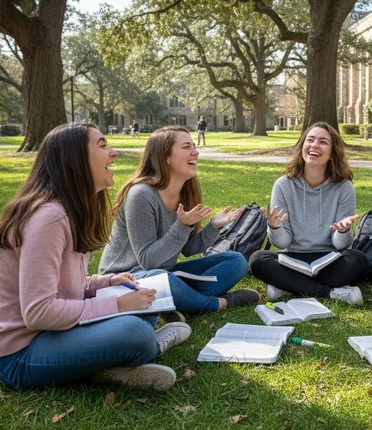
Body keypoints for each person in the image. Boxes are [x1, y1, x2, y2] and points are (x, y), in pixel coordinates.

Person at [0, 123, 191, 391]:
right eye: (102, 145)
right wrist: (118, 305)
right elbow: (38, 312)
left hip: (51, 333)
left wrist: (107, 282)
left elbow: (65, 286)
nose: (113, 152)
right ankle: (146, 348)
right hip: (18, 354)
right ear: (75, 159)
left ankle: (107, 368)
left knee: (145, 304)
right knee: (136, 333)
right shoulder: (48, 219)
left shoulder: (68, 210)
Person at [99, 126, 256, 316]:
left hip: (167, 272)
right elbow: (148, 261)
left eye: (195, 146)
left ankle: (179, 301)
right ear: (165, 156)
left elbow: (188, 248)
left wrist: (213, 226)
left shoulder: (186, 192)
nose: (195, 152)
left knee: (236, 260)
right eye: (186, 146)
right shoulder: (141, 195)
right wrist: (181, 226)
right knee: (163, 279)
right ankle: (216, 303)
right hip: (125, 278)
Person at [249, 122, 369, 305]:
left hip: (328, 260)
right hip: (293, 258)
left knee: (358, 259)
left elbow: (340, 244)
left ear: (332, 153)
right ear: (302, 146)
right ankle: (331, 293)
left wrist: (344, 231)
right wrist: (274, 227)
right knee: (258, 260)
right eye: (310, 140)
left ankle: (287, 286)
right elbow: (282, 243)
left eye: (323, 142)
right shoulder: (283, 185)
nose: (314, 145)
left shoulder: (344, 187)